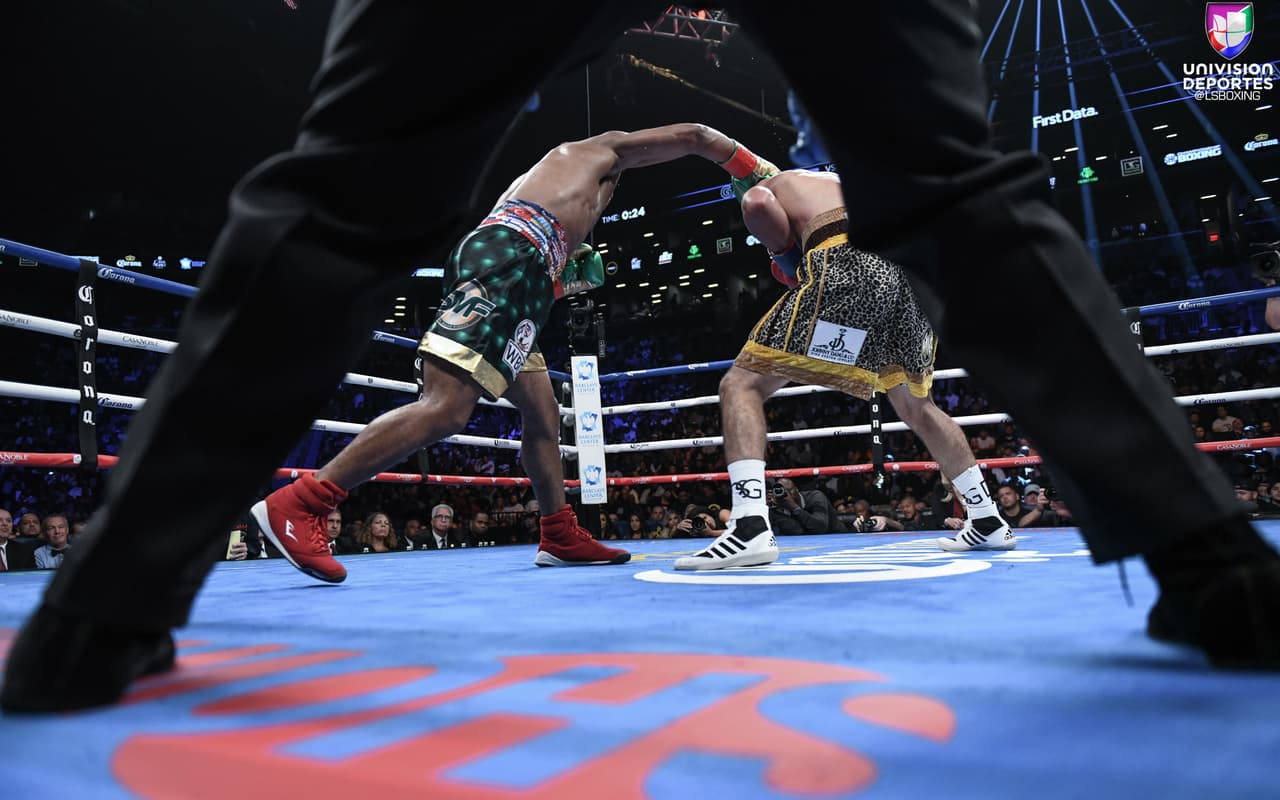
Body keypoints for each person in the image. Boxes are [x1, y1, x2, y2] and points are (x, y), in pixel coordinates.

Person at [5, 1, 1279, 715]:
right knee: (956, 188)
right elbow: (702, 145)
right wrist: (738, 164)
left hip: (583, 267)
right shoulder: (609, 157)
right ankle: (1210, 559)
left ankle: (100, 605)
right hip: (566, 253)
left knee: (344, 206)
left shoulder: (636, 179)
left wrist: (763, 214)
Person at [247, 121, 754, 584]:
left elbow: (533, 287)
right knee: (446, 408)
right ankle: (305, 501)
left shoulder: (579, 193)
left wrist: (559, 281)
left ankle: (558, 533)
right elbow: (695, 135)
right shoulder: (590, 152)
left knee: (543, 415)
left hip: (527, 274)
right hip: (510, 255)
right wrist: (753, 170)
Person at [677, 168, 1011, 570]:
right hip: (915, 272)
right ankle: (986, 516)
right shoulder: (856, 185)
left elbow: (757, 203)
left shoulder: (775, 186)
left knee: (741, 384)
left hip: (853, 266)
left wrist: (779, 250)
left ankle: (749, 524)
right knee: (917, 406)